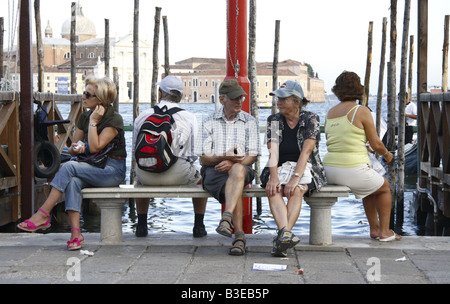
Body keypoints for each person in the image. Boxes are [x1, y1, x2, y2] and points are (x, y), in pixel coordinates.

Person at [18, 75, 127, 250]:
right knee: (73, 181)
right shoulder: (84, 116)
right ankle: (76, 234)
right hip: (91, 167)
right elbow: (72, 148)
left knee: (69, 166)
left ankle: (43, 214)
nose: (83, 97)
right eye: (84, 93)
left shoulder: (114, 119)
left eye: (88, 94)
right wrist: (77, 148)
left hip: (112, 171)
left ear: (101, 99)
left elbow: (96, 146)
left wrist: (93, 122)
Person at [323, 71, 400, 242]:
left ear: (337, 90)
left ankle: (374, 229)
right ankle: (385, 231)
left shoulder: (330, 113)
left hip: (329, 169)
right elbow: (376, 144)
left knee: (370, 189)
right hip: (351, 168)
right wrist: (387, 155)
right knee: (385, 187)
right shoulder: (361, 111)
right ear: (359, 89)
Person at [132, 75, 208, 238]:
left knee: (138, 179)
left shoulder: (143, 115)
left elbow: (135, 151)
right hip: (177, 174)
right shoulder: (189, 117)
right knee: (200, 176)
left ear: (160, 93)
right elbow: (194, 154)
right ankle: (199, 226)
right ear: (179, 96)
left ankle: (142, 225)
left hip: (147, 176)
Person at [261, 80, 326, 257]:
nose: (278, 102)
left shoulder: (310, 118)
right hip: (279, 167)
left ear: (297, 101)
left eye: (284, 99)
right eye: (278, 99)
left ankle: (282, 237)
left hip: (306, 167)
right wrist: (273, 177)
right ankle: (285, 236)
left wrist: (295, 178)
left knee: (295, 190)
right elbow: (272, 151)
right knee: (273, 190)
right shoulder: (274, 120)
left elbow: (306, 152)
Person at [196, 79, 260, 256]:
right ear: (222, 99)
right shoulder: (209, 122)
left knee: (237, 172)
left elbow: (252, 156)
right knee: (235, 186)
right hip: (213, 170)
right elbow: (203, 159)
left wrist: (233, 162)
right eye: (234, 98)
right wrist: (224, 157)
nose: (239, 101)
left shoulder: (250, 121)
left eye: (241, 97)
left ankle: (227, 217)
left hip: (242, 167)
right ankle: (239, 237)